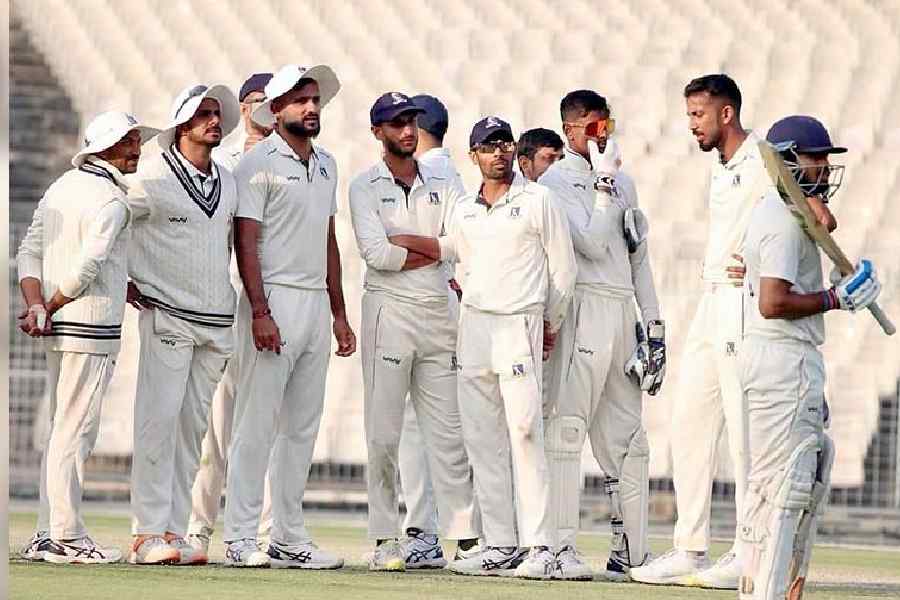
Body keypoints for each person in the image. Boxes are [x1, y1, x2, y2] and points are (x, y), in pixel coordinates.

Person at [390, 116, 577, 579]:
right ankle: (500, 543)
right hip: (474, 327)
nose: (499, 152)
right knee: (482, 440)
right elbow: (453, 249)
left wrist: (547, 323)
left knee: (526, 431)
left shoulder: (539, 199)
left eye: (505, 144)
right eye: (488, 146)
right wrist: (398, 240)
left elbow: (563, 272)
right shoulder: (466, 209)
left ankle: (541, 546)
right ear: (473, 155)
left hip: (520, 323)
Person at [738, 116, 878, 600]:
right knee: (787, 486)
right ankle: (767, 594)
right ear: (788, 160)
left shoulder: (775, 212)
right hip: (783, 360)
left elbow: (822, 221)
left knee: (784, 481)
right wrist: (836, 298)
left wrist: (817, 208)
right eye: (814, 158)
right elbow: (773, 303)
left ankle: (762, 589)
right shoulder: (781, 221)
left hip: (781, 361)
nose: (823, 167)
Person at [222, 64, 355, 569]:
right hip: (272, 299)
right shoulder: (255, 165)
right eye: (300, 100)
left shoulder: (327, 165)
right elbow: (246, 242)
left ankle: (288, 536)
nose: (312, 108)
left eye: (315, 100)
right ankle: (238, 537)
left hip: (315, 305)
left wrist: (339, 312)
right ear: (275, 111)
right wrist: (259, 310)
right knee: (255, 424)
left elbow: (328, 240)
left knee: (302, 427)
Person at [17, 111, 158, 565]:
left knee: (63, 429)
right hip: (89, 326)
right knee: (76, 433)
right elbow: (87, 268)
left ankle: (46, 532)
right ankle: (66, 537)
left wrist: (37, 304)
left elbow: (29, 251)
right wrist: (50, 306)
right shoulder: (111, 200)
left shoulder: (63, 186)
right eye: (129, 142)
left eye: (137, 141)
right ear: (105, 149)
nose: (137, 149)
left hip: (59, 324)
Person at [349, 92, 481, 571]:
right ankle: (385, 538)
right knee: (383, 433)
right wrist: (436, 249)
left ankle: (466, 539)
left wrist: (412, 243)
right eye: (396, 123)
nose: (407, 129)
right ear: (377, 131)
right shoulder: (363, 186)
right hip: (388, 312)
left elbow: (463, 243)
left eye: (411, 121)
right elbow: (376, 256)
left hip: (435, 312)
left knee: (447, 433)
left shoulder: (443, 179)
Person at [539, 90, 663, 581]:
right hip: (582, 305)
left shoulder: (624, 181)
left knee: (631, 441)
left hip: (621, 311)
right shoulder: (554, 181)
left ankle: (631, 552)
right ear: (571, 130)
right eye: (591, 127)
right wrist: (605, 183)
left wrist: (653, 325)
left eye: (606, 124)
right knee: (568, 430)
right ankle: (560, 547)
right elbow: (588, 241)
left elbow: (638, 254)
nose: (602, 134)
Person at [127, 84, 240, 566]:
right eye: (203, 114)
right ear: (180, 123)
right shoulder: (150, 177)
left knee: (191, 431)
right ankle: (145, 534)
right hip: (168, 314)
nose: (214, 121)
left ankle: (173, 528)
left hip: (216, 321)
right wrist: (123, 278)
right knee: (158, 424)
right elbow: (112, 223)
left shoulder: (228, 179)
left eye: (217, 114)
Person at [187, 71, 274, 556]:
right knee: (215, 426)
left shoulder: (287, 161)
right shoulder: (224, 164)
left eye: (270, 101)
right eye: (256, 101)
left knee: (265, 425)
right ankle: (200, 528)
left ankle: (263, 532)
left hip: (270, 306)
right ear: (243, 107)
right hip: (229, 303)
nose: (263, 109)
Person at [212, 72, 274, 171]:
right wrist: (247, 165)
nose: (271, 107)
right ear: (244, 109)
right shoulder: (223, 159)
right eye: (263, 101)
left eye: (275, 101)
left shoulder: (293, 154)